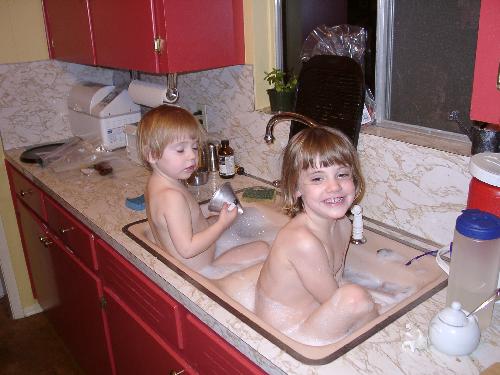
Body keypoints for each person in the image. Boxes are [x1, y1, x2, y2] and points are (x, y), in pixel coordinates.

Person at [255, 126, 378, 345]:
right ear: (295, 188)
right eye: (317, 179)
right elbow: (338, 301)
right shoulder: (302, 242)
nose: (334, 187)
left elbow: (336, 280)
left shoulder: (343, 225)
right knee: (356, 298)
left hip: (311, 313)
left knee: (355, 297)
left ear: (355, 180)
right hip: (284, 331)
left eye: (342, 174)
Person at [138, 105, 269, 274]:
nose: (192, 156)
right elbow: (187, 249)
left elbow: (183, 218)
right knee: (263, 248)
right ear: (152, 155)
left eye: (194, 147)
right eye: (180, 150)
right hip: (202, 271)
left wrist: (212, 214)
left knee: (214, 220)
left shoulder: (157, 184)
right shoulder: (171, 197)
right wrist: (222, 224)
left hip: (194, 262)